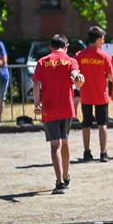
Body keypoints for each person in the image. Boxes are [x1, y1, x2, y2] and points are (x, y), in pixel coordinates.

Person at [32, 34, 84, 194]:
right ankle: (66, 174)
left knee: (55, 145)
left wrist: (36, 104)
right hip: (67, 107)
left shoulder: (42, 61)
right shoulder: (71, 60)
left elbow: (36, 85)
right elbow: (75, 76)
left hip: (49, 108)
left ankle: (59, 181)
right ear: (66, 46)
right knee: (65, 141)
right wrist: (78, 78)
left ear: (50, 47)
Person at [75, 26, 113, 162]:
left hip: (86, 95)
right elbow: (110, 76)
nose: (103, 41)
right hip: (101, 95)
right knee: (102, 124)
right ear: (98, 40)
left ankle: (86, 152)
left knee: (86, 124)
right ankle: (103, 153)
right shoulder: (104, 56)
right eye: (103, 39)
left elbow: (75, 74)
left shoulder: (80, 55)